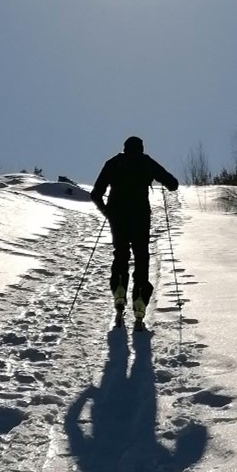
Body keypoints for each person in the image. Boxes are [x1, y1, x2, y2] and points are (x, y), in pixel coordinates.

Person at [90, 135, 178, 330]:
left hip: (117, 214)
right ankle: (139, 301)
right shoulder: (146, 162)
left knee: (121, 254)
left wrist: (106, 211)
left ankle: (119, 291)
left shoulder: (114, 162)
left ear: (125, 148)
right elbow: (173, 184)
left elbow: (95, 194)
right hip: (140, 215)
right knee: (141, 257)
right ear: (141, 148)